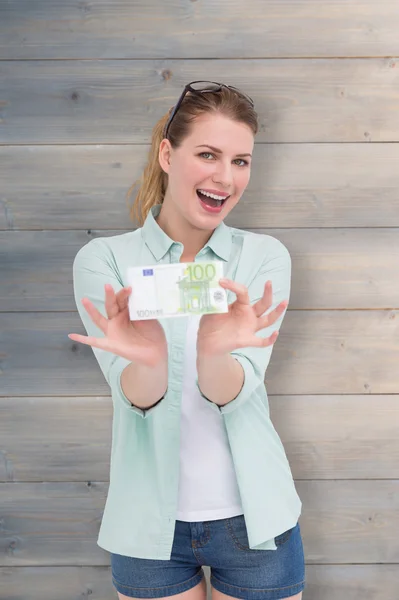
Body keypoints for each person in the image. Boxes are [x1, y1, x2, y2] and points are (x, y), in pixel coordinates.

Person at [69, 81, 305, 600]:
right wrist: (151, 360)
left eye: (241, 161)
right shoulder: (105, 260)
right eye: (208, 154)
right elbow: (135, 396)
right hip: (148, 527)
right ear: (167, 155)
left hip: (255, 521)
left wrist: (213, 352)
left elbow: (233, 390)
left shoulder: (264, 257)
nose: (225, 176)